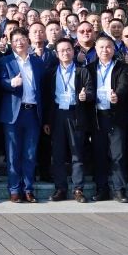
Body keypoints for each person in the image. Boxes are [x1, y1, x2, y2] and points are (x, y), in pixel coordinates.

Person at [79, 35, 128, 202]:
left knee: (118, 154)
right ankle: (102, 189)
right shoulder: (89, 68)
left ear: (113, 49)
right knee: (100, 154)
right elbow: (87, 89)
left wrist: (117, 96)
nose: (105, 50)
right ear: (96, 49)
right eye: (101, 47)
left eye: (108, 47)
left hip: (115, 115)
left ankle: (119, 190)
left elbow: (124, 85)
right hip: (97, 116)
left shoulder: (122, 67)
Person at [0, 31, 46, 202]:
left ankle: (28, 189)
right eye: (15, 40)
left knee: (30, 153)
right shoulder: (5, 61)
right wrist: (11, 83)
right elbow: (0, 81)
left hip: (32, 112)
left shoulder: (37, 62)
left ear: (28, 41)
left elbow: (43, 87)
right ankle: (14, 189)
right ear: (11, 44)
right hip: (13, 114)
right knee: (13, 154)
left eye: (23, 39)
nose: (19, 43)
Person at [44, 37, 90, 202]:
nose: (65, 53)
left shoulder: (82, 71)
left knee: (77, 152)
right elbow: (47, 98)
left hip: (75, 113)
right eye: (62, 50)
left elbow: (90, 90)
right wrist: (47, 121)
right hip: (57, 114)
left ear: (73, 51)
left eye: (68, 49)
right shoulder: (50, 72)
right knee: (58, 154)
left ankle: (78, 189)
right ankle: (60, 188)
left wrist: (85, 96)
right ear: (57, 54)